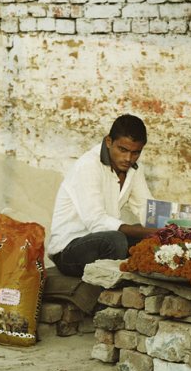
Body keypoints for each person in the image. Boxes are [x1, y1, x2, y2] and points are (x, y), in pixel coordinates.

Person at [47, 114, 161, 277]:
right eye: (123, 150)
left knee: (152, 240)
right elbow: (96, 221)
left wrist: (170, 230)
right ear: (109, 141)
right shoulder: (88, 166)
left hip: (106, 238)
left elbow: (145, 207)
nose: (128, 158)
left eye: (136, 152)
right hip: (69, 250)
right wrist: (147, 232)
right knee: (116, 240)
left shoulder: (134, 168)